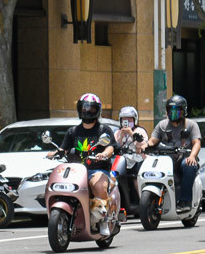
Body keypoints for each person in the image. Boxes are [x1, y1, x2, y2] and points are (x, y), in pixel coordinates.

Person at [57, 93, 117, 236]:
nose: (87, 112)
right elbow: (63, 148)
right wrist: (55, 152)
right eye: (84, 109)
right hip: (76, 171)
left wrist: (105, 154)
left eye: (91, 109)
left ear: (97, 111)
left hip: (97, 169)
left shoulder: (103, 130)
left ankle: (104, 220)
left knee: (98, 185)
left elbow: (111, 146)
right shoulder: (73, 131)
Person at [147, 94, 202, 216]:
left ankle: (185, 201)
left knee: (189, 166)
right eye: (170, 111)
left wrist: (192, 156)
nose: (173, 114)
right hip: (166, 160)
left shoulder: (191, 125)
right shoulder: (162, 125)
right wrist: (144, 146)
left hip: (184, 158)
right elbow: (152, 141)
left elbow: (196, 143)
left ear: (183, 111)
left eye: (176, 111)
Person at [112, 106, 148, 215]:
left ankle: (143, 203)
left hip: (137, 160)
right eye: (124, 120)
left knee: (136, 177)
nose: (127, 122)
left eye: (130, 120)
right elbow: (115, 147)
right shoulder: (118, 133)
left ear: (134, 120)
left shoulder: (140, 131)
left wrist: (131, 134)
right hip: (123, 161)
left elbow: (142, 146)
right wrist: (121, 136)